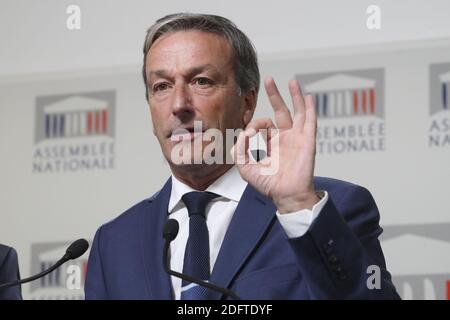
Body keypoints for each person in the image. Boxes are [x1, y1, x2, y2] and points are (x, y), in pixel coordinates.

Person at [84, 13, 400, 300]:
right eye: (162, 86)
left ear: (247, 103)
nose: (179, 104)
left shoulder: (334, 209)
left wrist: (297, 206)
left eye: (201, 81)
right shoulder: (113, 243)